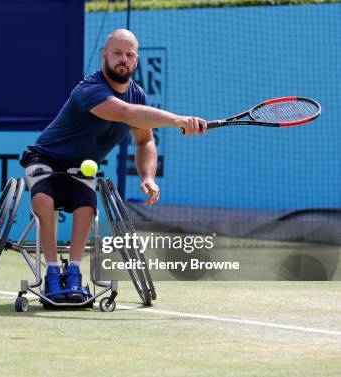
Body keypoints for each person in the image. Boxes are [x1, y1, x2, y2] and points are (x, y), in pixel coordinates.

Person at [19, 29, 206, 303]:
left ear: (136, 61)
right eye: (117, 53)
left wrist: (148, 177)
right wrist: (178, 119)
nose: (123, 59)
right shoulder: (89, 89)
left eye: (130, 55)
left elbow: (145, 141)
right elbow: (125, 113)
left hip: (82, 168)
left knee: (86, 206)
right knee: (45, 202)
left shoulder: (137, 95)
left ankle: (73, 272)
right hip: (45, 158)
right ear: (104, 55)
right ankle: (51, 272)